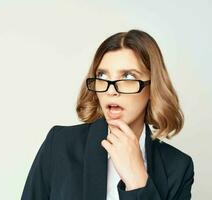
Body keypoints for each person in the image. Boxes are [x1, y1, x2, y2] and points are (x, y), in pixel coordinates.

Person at [21, 29, 194, 200]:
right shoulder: (60, 144)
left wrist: (138, 182)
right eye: (102, 75)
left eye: (127, 77)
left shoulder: (178, 167)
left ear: (153, 86)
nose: (111, 90)